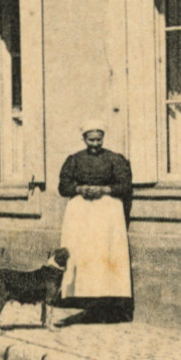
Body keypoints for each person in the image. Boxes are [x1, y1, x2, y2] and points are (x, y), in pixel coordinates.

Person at [56, 120, 133, 321]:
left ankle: (108, 301)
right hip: (81, 213)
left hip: (107, 212)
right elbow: (63, 186)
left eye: (99, 140)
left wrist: (105, 189)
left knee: (104, 251)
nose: (95, 144)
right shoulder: (74, 160)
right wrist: (80, 189)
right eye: (91, 140)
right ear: (84, 139)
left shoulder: (114, 159)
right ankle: (85, 299)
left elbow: (124, 185)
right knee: (84, 252)